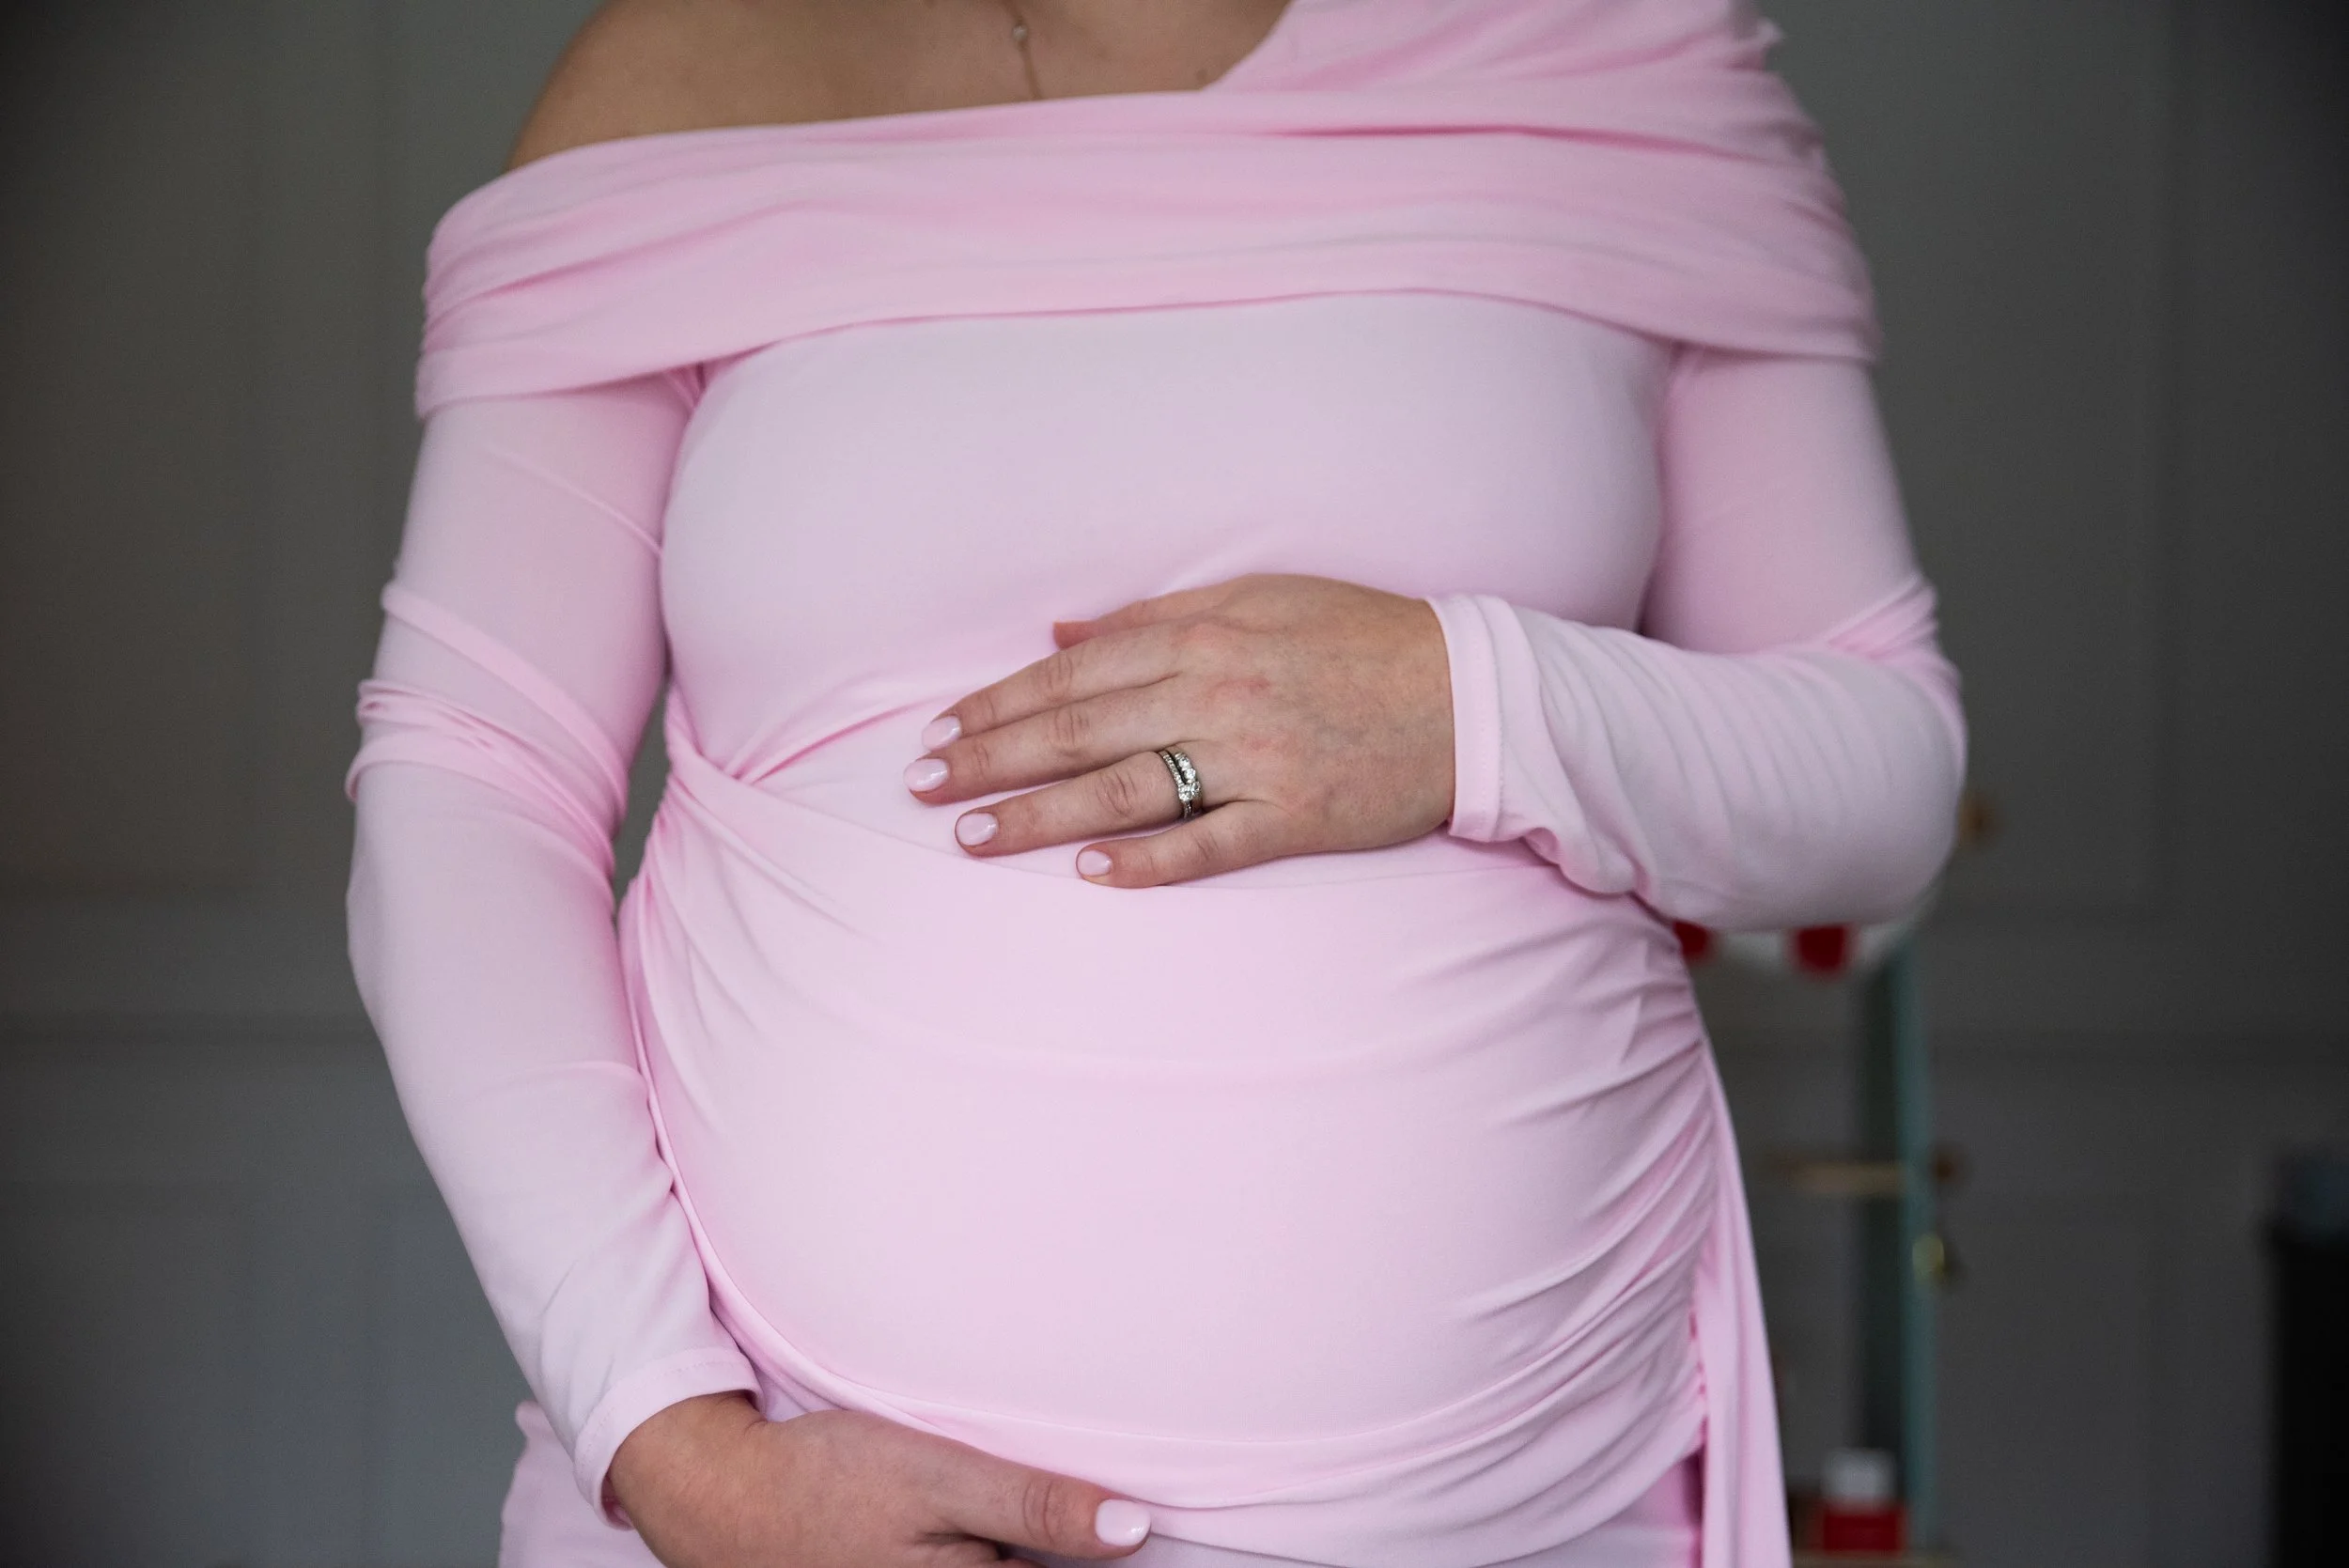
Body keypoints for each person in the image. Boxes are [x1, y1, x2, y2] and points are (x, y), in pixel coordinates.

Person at [343, 2, 1967, 1565]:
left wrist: (1473, 703)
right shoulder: (687, 78)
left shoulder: (1613, 65)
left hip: (1525, 1501)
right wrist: (670, 1441)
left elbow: (1882, 771)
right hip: (780, 1497)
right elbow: (474, 776)